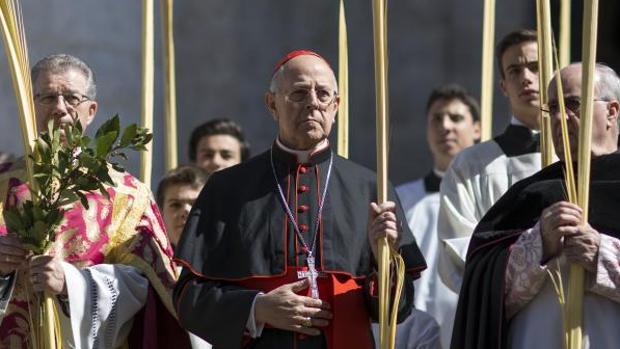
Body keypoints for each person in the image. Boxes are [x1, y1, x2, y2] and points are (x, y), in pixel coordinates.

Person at [173, 49, 426, 349]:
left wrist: (385, 263)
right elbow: (189, 298)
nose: (312, 103)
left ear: (336, 105)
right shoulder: (227, 187)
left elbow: (398, 311)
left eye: (323, 95)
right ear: (272, 104)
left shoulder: (372, 188)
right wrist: (257, 308)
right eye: (299, 93)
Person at [0, 54, 189, 348]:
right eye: (48, 97)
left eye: (71, 98)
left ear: (91, 111)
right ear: (29, 105)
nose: (59, 108)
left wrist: (73, 286)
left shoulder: (126, 194)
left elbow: (152, 288)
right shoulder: (3, 185)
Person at [452, 63, 620, 348]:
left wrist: (602, 254)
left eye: (573, 104)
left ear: (612, 112)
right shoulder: (526, 195)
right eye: (552, 108)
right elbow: (482, 294)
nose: (559, 117)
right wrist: (537, 245)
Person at [437, 29, 543, 292]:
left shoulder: (584, 157)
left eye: (535, 67)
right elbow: (459, 251)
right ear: (503, 86)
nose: (526, 78)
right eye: (514, 71)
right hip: (507, 318)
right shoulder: (471, 165)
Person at [394, 84, 480, 348]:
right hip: (411, 330)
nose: (446, 126)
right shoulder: (400, 198)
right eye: (437, 118)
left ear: (476, 128)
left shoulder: (489, 198)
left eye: (456, 118)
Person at [156, 165, 209, 249]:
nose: (186, 211)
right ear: (159, 214)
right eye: (175, 205)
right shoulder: (145, 261)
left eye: (196, 204)